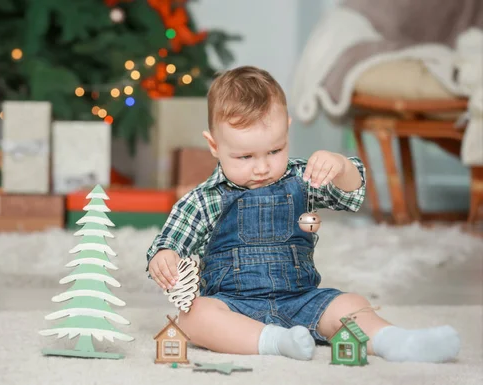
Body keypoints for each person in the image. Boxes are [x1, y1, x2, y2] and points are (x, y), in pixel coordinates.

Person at [145, 66, 460, 363]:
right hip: (233, 306)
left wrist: (341, 166)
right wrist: (165, 255)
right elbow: (172, 238)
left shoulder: (302, 178)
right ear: (214, 145)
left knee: (350, 304)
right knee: (194, 316)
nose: (262, 167)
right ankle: (274, 341)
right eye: (244, 156)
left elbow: (350, 194)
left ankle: (396, 341)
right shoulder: (204, 199)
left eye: (275, 150)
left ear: (287, 131)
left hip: (302, 299)